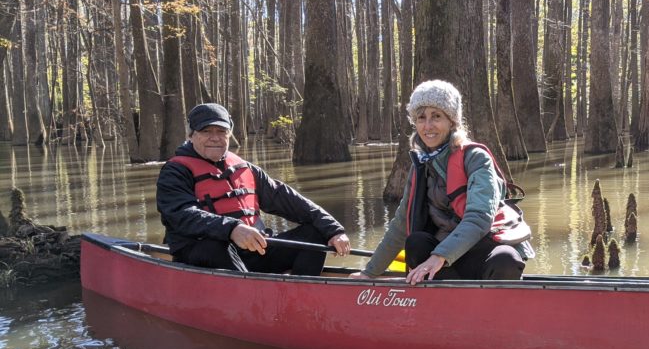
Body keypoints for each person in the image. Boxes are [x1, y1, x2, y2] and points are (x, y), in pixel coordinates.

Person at [352, 80, 534, 286]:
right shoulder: (420, 166)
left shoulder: (475, 158)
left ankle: (491, 310)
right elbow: (401, 223)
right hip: (446, 257)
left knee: (506, 260)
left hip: (486, 247)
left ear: (452, 121)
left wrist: (439, 257)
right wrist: (369, 273)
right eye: (421, 118)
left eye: (436, 116)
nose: (428, 126)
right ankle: (444, 306)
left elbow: (479, 218)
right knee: (416, 243)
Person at [157, 102, 351, 275]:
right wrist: (232, 228)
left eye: (221, 132)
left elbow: (289, 200)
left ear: (230, 134)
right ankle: (252, 300)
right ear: (191, 135)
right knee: (214, 246)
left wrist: (333, 230)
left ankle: (301, 296)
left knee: (314, 234)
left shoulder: (245, 168)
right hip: (207, 254)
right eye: (207, 131)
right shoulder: (175, 171)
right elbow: (180, 214)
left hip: (251, 251)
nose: (215, 138)